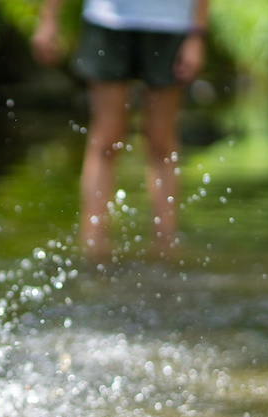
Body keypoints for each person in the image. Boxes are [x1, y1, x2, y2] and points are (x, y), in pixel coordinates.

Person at [32, 0, 207, 265]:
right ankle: (93, 249)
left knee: (161, 142)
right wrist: (49, 18)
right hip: (107, 19)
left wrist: (197, 33)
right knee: (106, 140)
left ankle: (166, 249)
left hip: (172, 21)